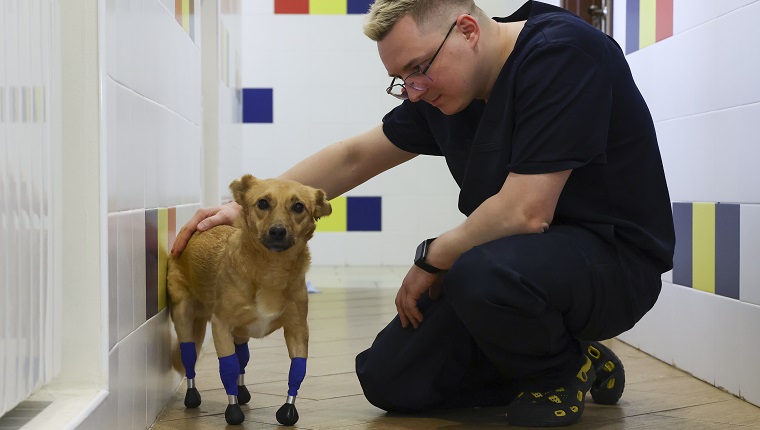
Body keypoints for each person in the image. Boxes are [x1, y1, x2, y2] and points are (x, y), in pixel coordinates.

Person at [171, 0, 675, 426]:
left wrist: (434, 256)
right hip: (518, 267)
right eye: (401, 79)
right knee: (389, 379)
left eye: (417, 70)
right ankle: (576, 356)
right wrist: (245, 208)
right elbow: (355, 156)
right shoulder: (442, 94)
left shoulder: (562, 54)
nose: (414, 88)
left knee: (477, 271)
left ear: (468, 31)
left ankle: (553, 373)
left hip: (612, 264)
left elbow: (527, 211)